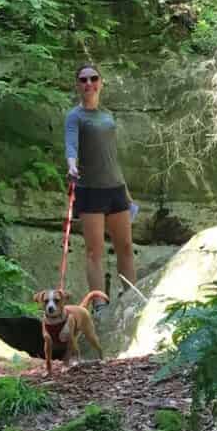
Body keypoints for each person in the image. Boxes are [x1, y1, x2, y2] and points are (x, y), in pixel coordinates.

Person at [64, 63, 136, 313]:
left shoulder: (108, 116)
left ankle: (131, 299)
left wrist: (127, 194)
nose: (89, 83)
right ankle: (99, 305)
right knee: (95, 251)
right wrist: (71, 166)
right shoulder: (75, 116)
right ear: (78, 85)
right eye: (83, 80)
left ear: (100, 83)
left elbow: (112, 157)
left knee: (125, 247)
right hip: (90, 190)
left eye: (93, 79)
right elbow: (71, 146)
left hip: (115, 189)